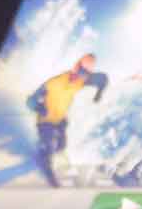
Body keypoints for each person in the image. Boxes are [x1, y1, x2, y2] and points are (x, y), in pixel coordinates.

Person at [28, 50, 109, 187]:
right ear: (76, 67)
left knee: (61, 146)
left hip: (60, 121)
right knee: (50, 144)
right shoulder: (54, 82)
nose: (83, 77)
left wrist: (99, 94)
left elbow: (103, 78)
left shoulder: (80, 82)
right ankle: (45, 158)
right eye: (82, 72)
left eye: (87, 74)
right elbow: (30, 100)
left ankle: (46, 148)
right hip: (45, 121)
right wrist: (39, 107)